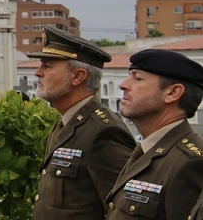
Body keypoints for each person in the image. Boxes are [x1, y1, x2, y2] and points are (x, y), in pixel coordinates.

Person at [27, 27, 134, 219]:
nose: (37, 72)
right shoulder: (66, 123)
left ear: (78, 76)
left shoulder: (103, 131)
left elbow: (124, 209)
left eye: (48, 66)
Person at [106, 49, 203, 219]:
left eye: (138, 78)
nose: (123, 85)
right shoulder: (147, 150)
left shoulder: (189, 163)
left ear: (172, 93)